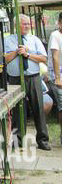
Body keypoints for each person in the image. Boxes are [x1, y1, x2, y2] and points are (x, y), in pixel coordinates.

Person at [4, 14, 51, 150]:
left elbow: (43, 58)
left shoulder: (34, 39)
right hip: (16, 79)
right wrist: (17, 52)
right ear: (16, 25)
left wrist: (27, 55)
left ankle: (43, 140)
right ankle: (17, 141)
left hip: (33, 78)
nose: (27, 26)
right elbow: (4, 59)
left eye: (28, 24)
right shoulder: (8, 40)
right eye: (24, 24)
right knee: (18, 110)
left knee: (38, 109)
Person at [45, 12, 62, 143]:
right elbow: (55, 57)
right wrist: (57, 77)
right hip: (57, 74)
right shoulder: (55, 35)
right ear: (60, 22)